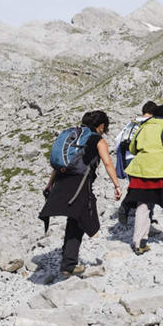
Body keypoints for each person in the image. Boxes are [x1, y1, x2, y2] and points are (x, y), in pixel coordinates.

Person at [40, 111, 121, 276]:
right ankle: (68, 265)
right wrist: (117, 185)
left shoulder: (73, 136)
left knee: (74, 219)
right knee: (79, 220)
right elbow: (107, 163)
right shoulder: (97, 140)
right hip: (80, 183)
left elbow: (57, 165)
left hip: (63, 180)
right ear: (101, 126)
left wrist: (50, 184)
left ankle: (67, 260)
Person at [123, 104, 163, 254]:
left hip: (139, 170)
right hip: (159, 170)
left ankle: (139, 242)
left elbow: (132, 148)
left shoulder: (142, 127)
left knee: (143, 204)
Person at [114, 101, 157, 225]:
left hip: (128, 160)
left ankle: (130, 209)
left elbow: (117, 140)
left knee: (136, 186)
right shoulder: (150, 124)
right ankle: (134, 211)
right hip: (142, 159)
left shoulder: (132, 123)